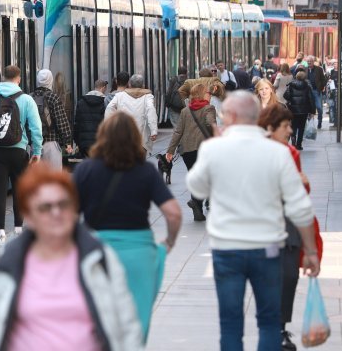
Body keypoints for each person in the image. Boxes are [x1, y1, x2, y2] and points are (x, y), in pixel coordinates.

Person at [186, 92, 320, 351]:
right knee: (269, 322)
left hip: (227, 249)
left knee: (230, 322)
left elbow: (197, 189)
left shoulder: (215, 148)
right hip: (268, 248)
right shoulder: (278, 152)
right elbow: (300, 207)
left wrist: (211, 150)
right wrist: (311, 251)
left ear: (231, 117)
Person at [0, 165, 144, 351]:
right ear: (29, 214)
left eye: (63, 204)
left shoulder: (98, 257)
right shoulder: (10, 262)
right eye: (46, 207)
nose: (56, 212)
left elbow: (127, 326)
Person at [73, 112, 181, 340]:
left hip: (95, 255)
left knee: (96, 323)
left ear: (102, 136)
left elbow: (66, 215)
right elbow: (173, 213)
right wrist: (169, 242)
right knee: (135, 322)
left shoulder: (85, 170)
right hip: (138, 255)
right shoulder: (146, 171)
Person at [257, 104, 324, 350]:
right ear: (270, 128)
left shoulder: (291, 152)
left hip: (288, 223)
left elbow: (298, 193)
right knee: (271, 278)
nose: (290, 131)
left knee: (289, 276)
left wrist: (302, 184)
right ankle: (272, 327)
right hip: (264, 225)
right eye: (285, 127)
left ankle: (280, 327)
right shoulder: (256, 153)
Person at [0, 65, 43, 247]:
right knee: (19, 191)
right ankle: (18, 230)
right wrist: (36, 151)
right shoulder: (26, 100)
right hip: (19, 152)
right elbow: (36, 128)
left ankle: (0, 234)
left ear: (2, 77)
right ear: (19, 79)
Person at [165, 83, 217, 222]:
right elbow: (210, 122)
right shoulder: (209, 108)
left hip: (187, 151)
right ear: (201, 94)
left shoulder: (185, 111)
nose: (210, 95)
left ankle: (198, 210)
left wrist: (170, 151)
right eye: (208, 93)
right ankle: (196, 201)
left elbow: (178, 132)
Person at [104, 74, 158, 155]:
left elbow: (109, 108)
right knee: (140, 163)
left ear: (129, 84)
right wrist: (153, 130)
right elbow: (151, 110)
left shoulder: (119, 96)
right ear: (143, 85)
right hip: (141, 139)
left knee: (125, 162)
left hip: (123, 137)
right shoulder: (147, 96)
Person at [31, 69, 73, 171]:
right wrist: (67, 142)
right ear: (50, 80)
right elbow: (61, 122)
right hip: (51, 143)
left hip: (34, 143)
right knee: (53, 177)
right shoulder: (53, 97)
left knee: (37, 178)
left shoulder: (30, 97)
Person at [73, 79, 108, 158]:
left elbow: (77, 123)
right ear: (103, 88)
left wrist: (77, 141)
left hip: (84, 144)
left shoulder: (81, 102)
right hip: (100, 142)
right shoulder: (105, 103)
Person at [284, 70, 316, 151]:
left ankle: (293, 142)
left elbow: (285, 96)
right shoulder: (307, 86)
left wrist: (291, 99)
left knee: (293, 126)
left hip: (293, 110)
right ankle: (299, 144)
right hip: (304, 111)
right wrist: (312, 111)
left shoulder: (291, 85)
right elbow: (311, 99)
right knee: (301, 128)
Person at [307, 57, 327, 129]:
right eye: (308, 61)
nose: (309, 62)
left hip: (316, 91)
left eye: (310, 61)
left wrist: (321, 87)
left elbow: (324, 80)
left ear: (313, 61)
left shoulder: (319, 69)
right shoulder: (305, 69)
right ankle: (310, 123)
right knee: (309, 108)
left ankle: (319, 122)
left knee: (319, 108)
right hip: (308, 92)